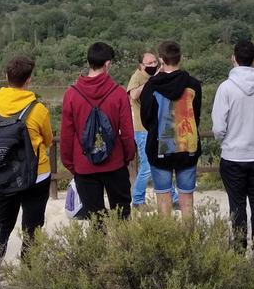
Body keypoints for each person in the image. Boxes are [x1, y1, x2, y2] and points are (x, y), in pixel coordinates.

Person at [0, 54, 54, 260]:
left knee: (2, 225)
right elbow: (48, 140)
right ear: (29, 79)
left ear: (6, 76)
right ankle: (30, 276)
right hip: (36, 175)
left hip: (2, 174)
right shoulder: (38, 110)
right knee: (33, 228)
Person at [212, 39, 254, 252]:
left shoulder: (226, 88)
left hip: (232, 156)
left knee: (237, 204)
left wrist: (227, 141)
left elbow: (219, 127)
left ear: (234, 59)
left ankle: (238, 249)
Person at [60, 42, 136, 222]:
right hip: (115, 163)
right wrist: (127, 156)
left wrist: (72, 164)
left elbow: (66, 136)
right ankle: (123, 249)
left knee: (95, 220)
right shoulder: (118, 93)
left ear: (89, 62)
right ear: (107, 64)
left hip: (84, 165)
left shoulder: (71, 94)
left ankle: (100, 250)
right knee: (122, 216)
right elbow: (126, 133)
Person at [140, 40, 203, 217]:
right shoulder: (193, 84)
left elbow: (146, 118)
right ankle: (189, 241)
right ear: (180, 58)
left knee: (163, 199)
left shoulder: (151, 86)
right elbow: (196, 115)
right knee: (187, 200)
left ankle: (167, 240)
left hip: (159, 148)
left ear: (161, 59)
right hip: (187, 147)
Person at [126, 52, 179, 210]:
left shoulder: (158, 74)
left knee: (164, 163)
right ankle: (137, 199)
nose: (152, 65)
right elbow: (133, 95)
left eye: (155, 62)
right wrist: (153, 78)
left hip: (159, 127)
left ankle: (173, 197)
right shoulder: (137, 77)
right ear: (141, 65)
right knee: (148, 165)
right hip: (142, 129)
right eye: (148, 63)